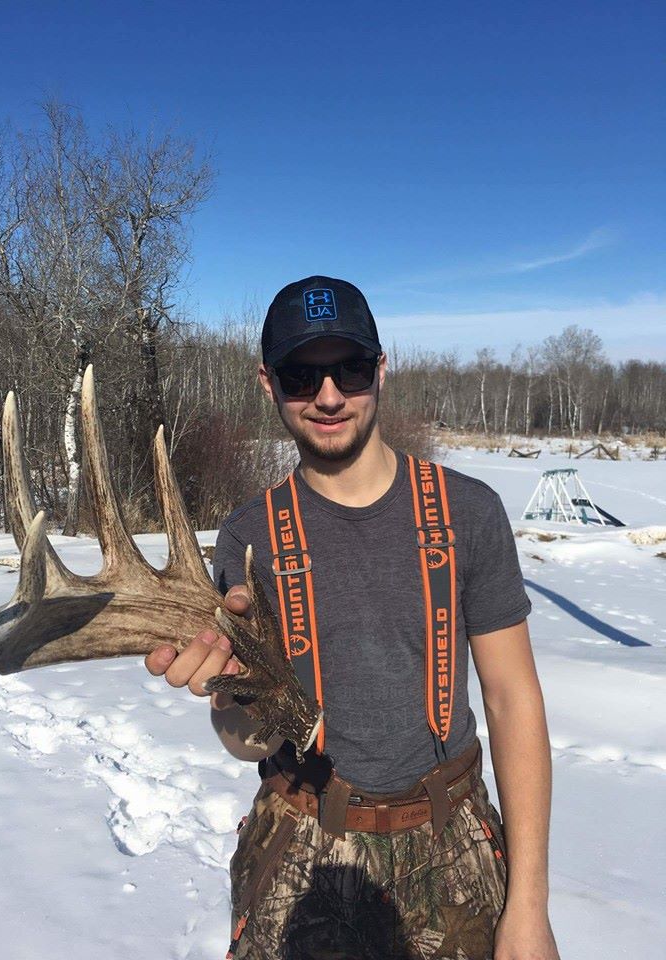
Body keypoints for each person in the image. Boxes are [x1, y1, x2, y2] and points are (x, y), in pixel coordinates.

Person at [145, 277, 561, 960]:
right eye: (302, 374)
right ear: (267, 383)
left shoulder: (469, 513)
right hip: (304, 848)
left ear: (381, 369)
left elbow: (514, 700)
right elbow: (243, 739)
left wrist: (530, 907)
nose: (330, 395)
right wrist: (236, 690)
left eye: (350, 369)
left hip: (452, 842)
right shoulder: (247, 536)